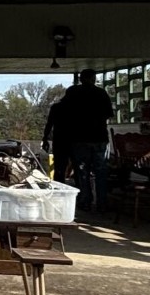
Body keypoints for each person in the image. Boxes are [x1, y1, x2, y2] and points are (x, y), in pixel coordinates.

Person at [44, 70, 115, 213]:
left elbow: (64, 117)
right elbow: (109, 114)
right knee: (100, 172)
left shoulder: (74, 94)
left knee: (82, 172)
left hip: (80, 139)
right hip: (99, 137)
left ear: (81, 79)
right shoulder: (101, 93)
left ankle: (85, 201)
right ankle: (101, 203)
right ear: (94, 79)